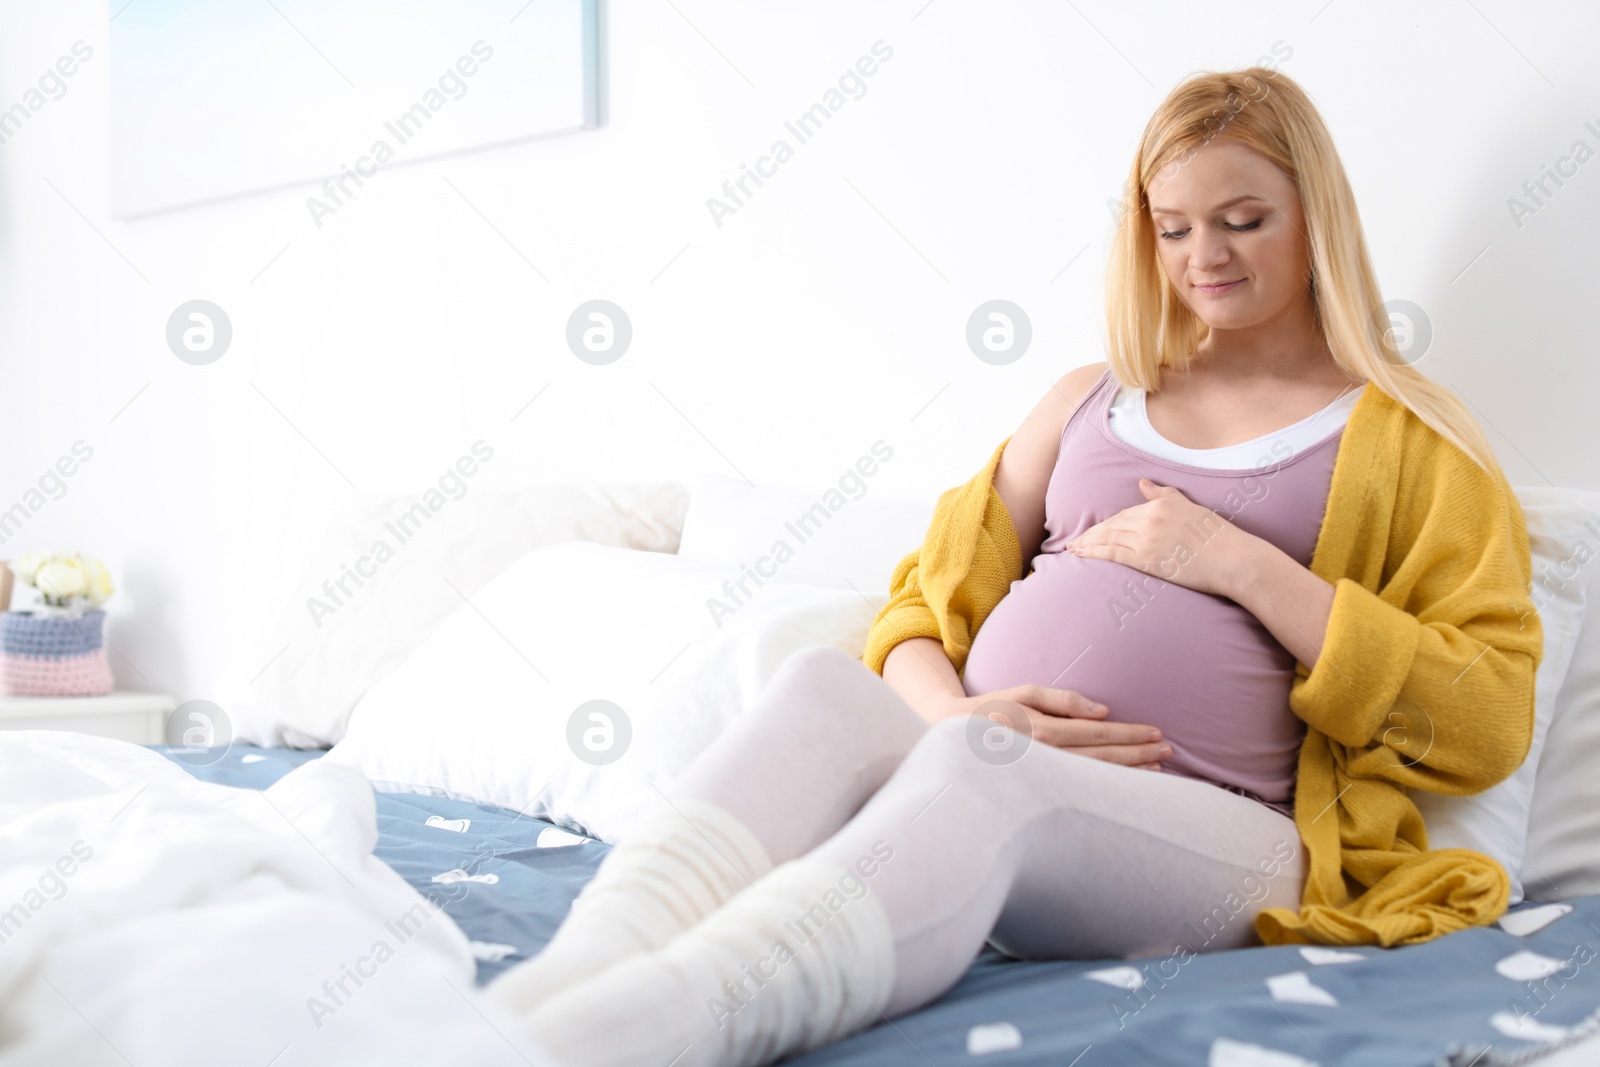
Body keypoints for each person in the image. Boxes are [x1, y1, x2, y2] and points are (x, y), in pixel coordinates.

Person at [487, 66, 1541, 1067]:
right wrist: (950, 715)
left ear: (1316, 216)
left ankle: (659, 1026)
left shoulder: (1412, 441)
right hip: (982, 762)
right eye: (1171, 229)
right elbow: (917, 605)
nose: (1202, 257)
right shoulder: (1088, 398)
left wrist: (1236, 563)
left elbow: (1483, 717)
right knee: (822, 686)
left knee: (980, 779)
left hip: (1236, 832)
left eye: (1242, 220)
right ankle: (552, 992)